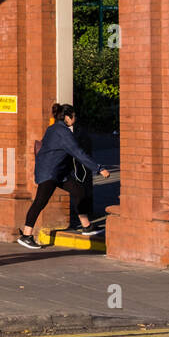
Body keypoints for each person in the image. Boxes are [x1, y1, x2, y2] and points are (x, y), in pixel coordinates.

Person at [18, 103, 109, 249]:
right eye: (74, 116)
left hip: (58, 172)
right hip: (50, 172)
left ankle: (86, 226)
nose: (75, 119)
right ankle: (26, 235)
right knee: (40, 201)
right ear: (67, 117)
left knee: (79, 191)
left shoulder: (53, 128)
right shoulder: (63, 132)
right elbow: (78, 152)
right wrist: (99, 168)